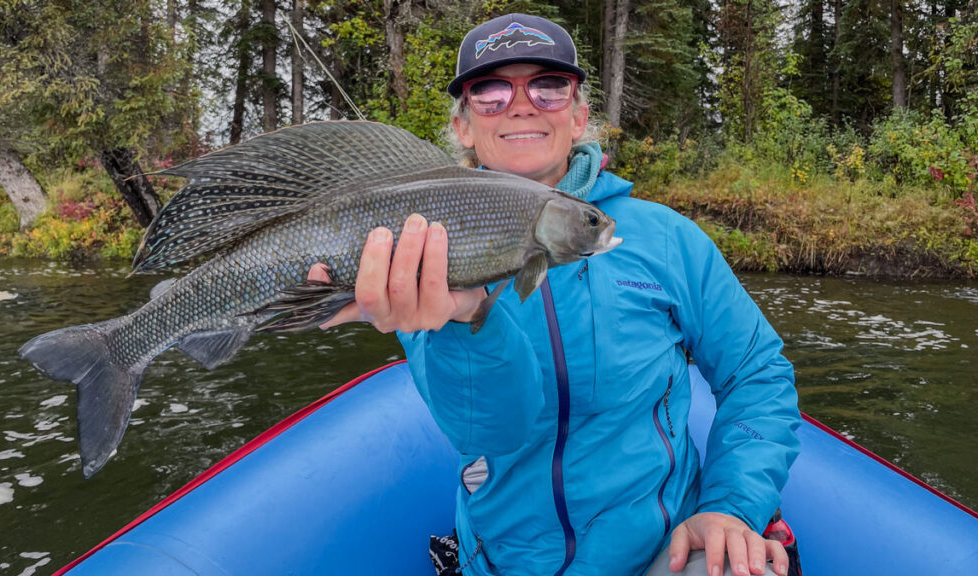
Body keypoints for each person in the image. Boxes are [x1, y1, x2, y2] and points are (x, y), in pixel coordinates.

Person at [310, 13, 802, 576]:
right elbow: (492, 431)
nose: (521, 104)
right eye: (491, 91)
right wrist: (462, 318)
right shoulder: (425, 251)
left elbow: (756, 371)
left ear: (579, 115)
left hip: (663, 552)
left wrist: (731, 506)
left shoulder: (667, 238)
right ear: (464, 125)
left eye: (547, 87)